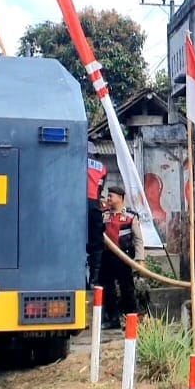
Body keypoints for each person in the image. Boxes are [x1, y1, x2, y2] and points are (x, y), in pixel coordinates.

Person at [99, 186, 144, 329]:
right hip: (106, 257)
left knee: (127, 289)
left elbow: (138, 240)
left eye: (111, 196)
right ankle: (113, 319)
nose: (108, 199)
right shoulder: (104, 215)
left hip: (124, 257)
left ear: (120, 198)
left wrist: (140, 260)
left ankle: (131, 320)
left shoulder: (130, 216)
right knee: (107, 289)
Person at [86, 141, 108, 286]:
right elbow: (100, 189)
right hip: (94, 205)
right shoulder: (102, 168)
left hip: (76, 203)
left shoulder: (76, 159)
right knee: (97, 243)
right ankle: (94, 278)